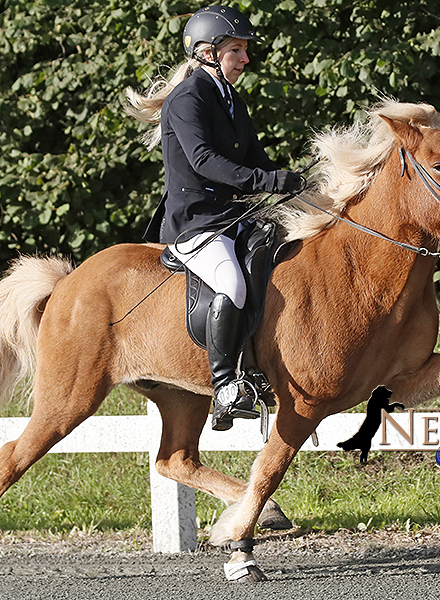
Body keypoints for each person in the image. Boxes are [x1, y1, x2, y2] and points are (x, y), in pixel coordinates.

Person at [125, 5, 303, 431]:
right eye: (237, 50)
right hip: (197, 220)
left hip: (232, 216)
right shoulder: (188, 99)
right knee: (230, 281)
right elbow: (204, 161)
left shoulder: (231, 99)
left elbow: (256, 160)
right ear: (207, 52)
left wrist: (295, 183)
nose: (245, 59)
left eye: (244, 51)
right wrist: (266, 179)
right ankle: (226, 386)